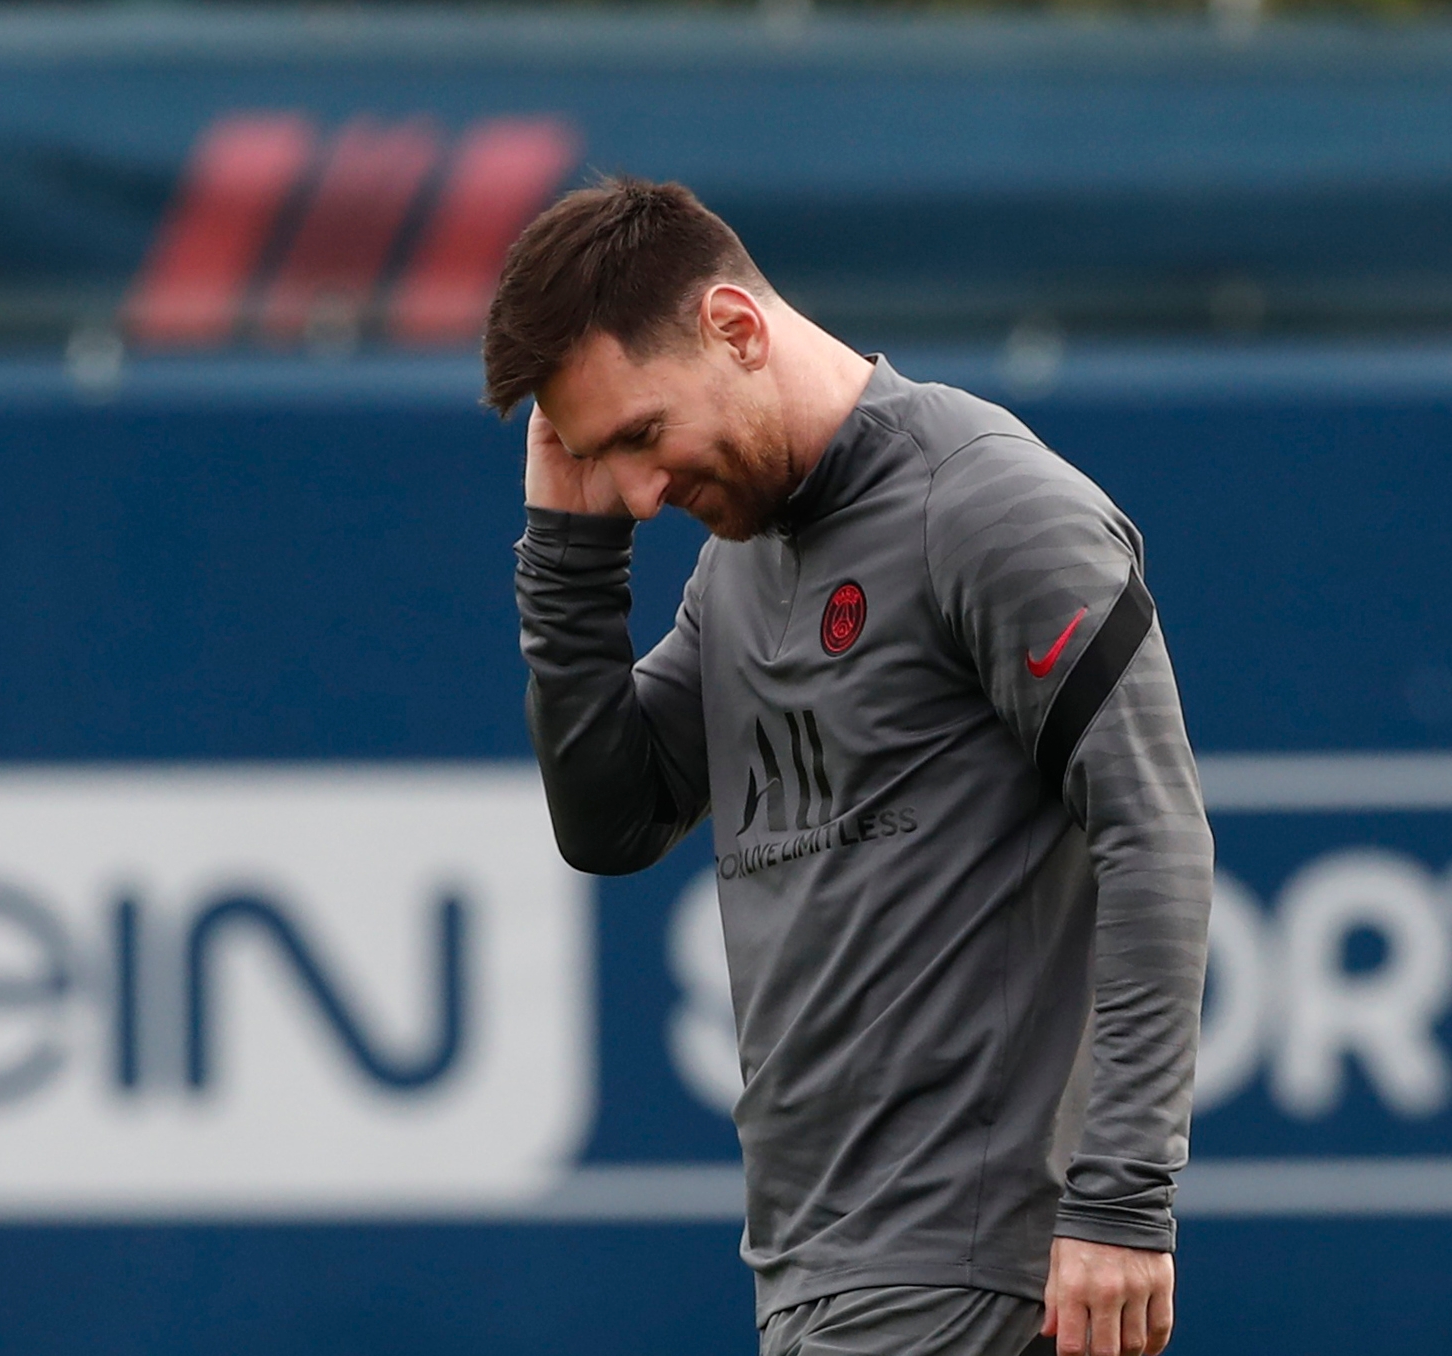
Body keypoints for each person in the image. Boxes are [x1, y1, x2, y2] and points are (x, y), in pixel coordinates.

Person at [483, 179, 1211, 1356]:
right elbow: (610, 821)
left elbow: (1155, 834)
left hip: (970, 1268)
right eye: (596, 456)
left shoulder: (987, 505)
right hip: (819, 1272)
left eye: (639, 436)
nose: (638, 493)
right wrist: (570, 557)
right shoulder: (738, 565)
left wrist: (1120, 1199)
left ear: (736, 327)